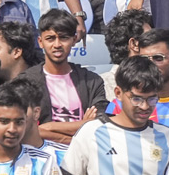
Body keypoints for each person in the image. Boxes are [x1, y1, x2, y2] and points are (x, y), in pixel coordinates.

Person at [61, 57, 169, 175]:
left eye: (152, 99)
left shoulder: (168, 138)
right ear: (118, 93)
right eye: (137, 99)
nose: (145, 106)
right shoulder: (91, 133)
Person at [18, 10, 106, 147]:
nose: (57, 44)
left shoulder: (92, 81)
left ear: (74, 39)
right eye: (50, 38)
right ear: (40, 42)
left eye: (63, 38)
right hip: (40, 155)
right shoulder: (26, 81)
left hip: (86, 156)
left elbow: (100, 122)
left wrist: (49, 127)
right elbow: (26, 129)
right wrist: (81, 127)